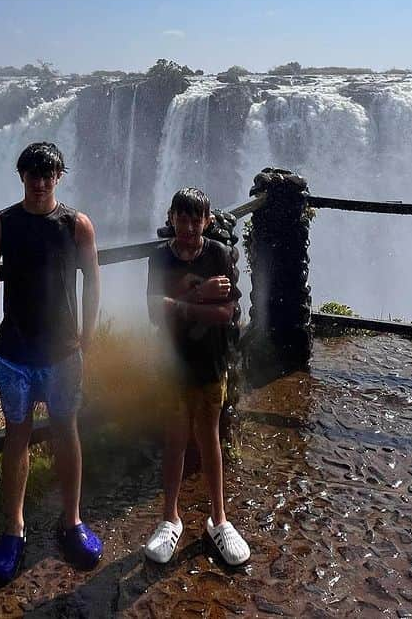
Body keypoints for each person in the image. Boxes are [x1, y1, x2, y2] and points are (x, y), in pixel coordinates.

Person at [0, 141, 103, 585]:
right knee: (18, 435)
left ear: (59, 176)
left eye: (48, 172)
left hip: (63, 352)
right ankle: (13, 528)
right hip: (14, 352)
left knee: (66, 431)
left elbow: (92, 279)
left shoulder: (76, 225)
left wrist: (87, 334)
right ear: (22, 176)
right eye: (33, 172)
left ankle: (71, 521)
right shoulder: (2, 225)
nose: (40, 180)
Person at [143, 186, 251, 566]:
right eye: (182, 218)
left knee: (209, 439)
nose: (188, 226)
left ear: (207, 221)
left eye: (196, 219)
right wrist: (202, 294)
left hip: (211, 362)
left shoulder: (218, 254)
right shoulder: (160, 258)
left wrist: (180, 305)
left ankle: (219, 520)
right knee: (174, 440)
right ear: (171, 217)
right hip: (174, 364)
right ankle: (170, 518)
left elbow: (228, 314)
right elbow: (154, 312)